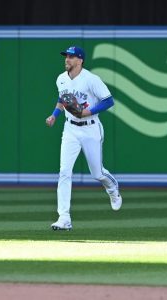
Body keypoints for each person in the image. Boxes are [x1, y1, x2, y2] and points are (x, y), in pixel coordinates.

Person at [45, 46, 122, 230]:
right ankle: (64, 218)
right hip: (70, 129)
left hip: (90, 129)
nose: (67, 60)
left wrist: (88, 111)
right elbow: (63, 99)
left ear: (80, 60)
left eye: (71, 57)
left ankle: (112, 188)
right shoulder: (61, 79)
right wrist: (55, 114)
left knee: (97, 173)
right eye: (66, 56)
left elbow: (108, 100)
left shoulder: (91, 79)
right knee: (64, 171)